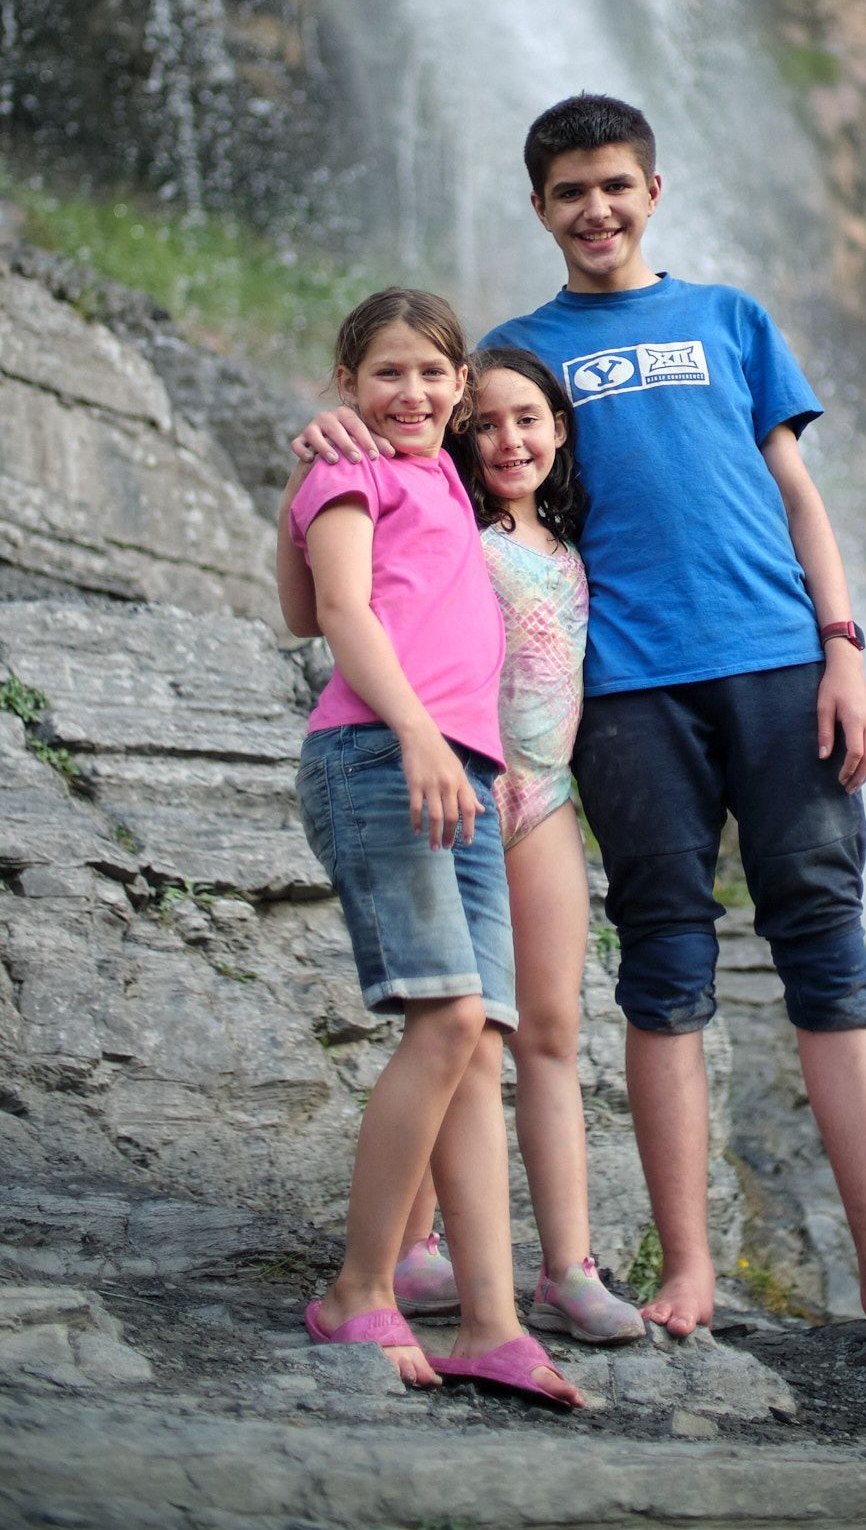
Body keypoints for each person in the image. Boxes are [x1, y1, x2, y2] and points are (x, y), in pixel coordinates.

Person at [291, 97, 866, 1340]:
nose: (596, 208)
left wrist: (845, 648)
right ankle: (689, 1270)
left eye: (615, 185)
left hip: (781, 664)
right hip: (624, 693)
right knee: (667, 953)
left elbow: (798, 492)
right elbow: (418, 486)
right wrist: (328, 436)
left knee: (824, 940)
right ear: (539, 208)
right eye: (570, 191)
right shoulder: (510, 354)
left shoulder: (730, 319)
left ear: (654, 190)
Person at [278, 286, 582, 1405]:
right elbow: (331, 613)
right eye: (385, 373)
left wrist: (473, 757)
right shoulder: (346, 466)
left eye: (430, 373)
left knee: (480, 1041)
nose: (411, 391)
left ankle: (492, 1321)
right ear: (347, 385)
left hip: (466, 774)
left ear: (459, 390)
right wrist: (418, 735)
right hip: (381, 755)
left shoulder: (448, 475)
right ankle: (361, 1289)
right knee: (447, 1016)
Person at [388, 348, 644, 1343]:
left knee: (549, 1031)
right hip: (464, 791)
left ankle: (567, 1266)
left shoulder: (571, 546)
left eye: (527, 418)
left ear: (560, 429)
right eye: (485, 423)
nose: (508, 439)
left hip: (546, 801)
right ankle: (418, 1243)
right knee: (455, 1027)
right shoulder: (455, 528)